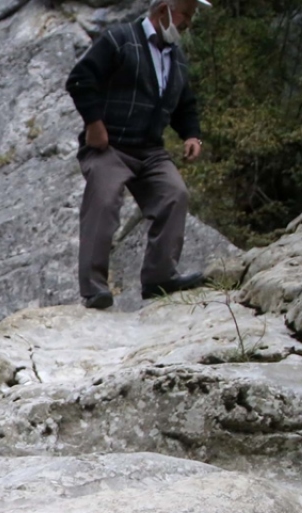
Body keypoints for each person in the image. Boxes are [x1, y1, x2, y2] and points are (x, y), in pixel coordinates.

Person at [65, 0, 212, 310]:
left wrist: (191, 134)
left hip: (149, 149)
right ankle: (94, 289)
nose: (189, 22)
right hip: (110, 147)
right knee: (103, 201)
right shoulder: (119, 39)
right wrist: (94, 124)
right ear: (164, 11)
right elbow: (80, 79)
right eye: (187, 14)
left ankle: (160, 279)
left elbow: (185, 104)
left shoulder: (176, 58)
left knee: (174, 194)